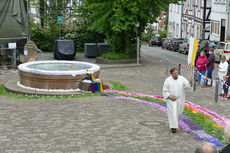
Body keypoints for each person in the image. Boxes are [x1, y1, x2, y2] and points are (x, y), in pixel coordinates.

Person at [163, 67, 193, 133]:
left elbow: (187, 86)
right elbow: (165, 90)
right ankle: (173, 127)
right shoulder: (167, 80)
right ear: (171, 74)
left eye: (177, 73)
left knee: (179, 113)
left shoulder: (182, 78)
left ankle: (175, 122)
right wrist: (170, 96)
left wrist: (190, 82)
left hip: (180, 98)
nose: (176, 74)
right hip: (172, 99)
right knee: (173, 113)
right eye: (174, 73)